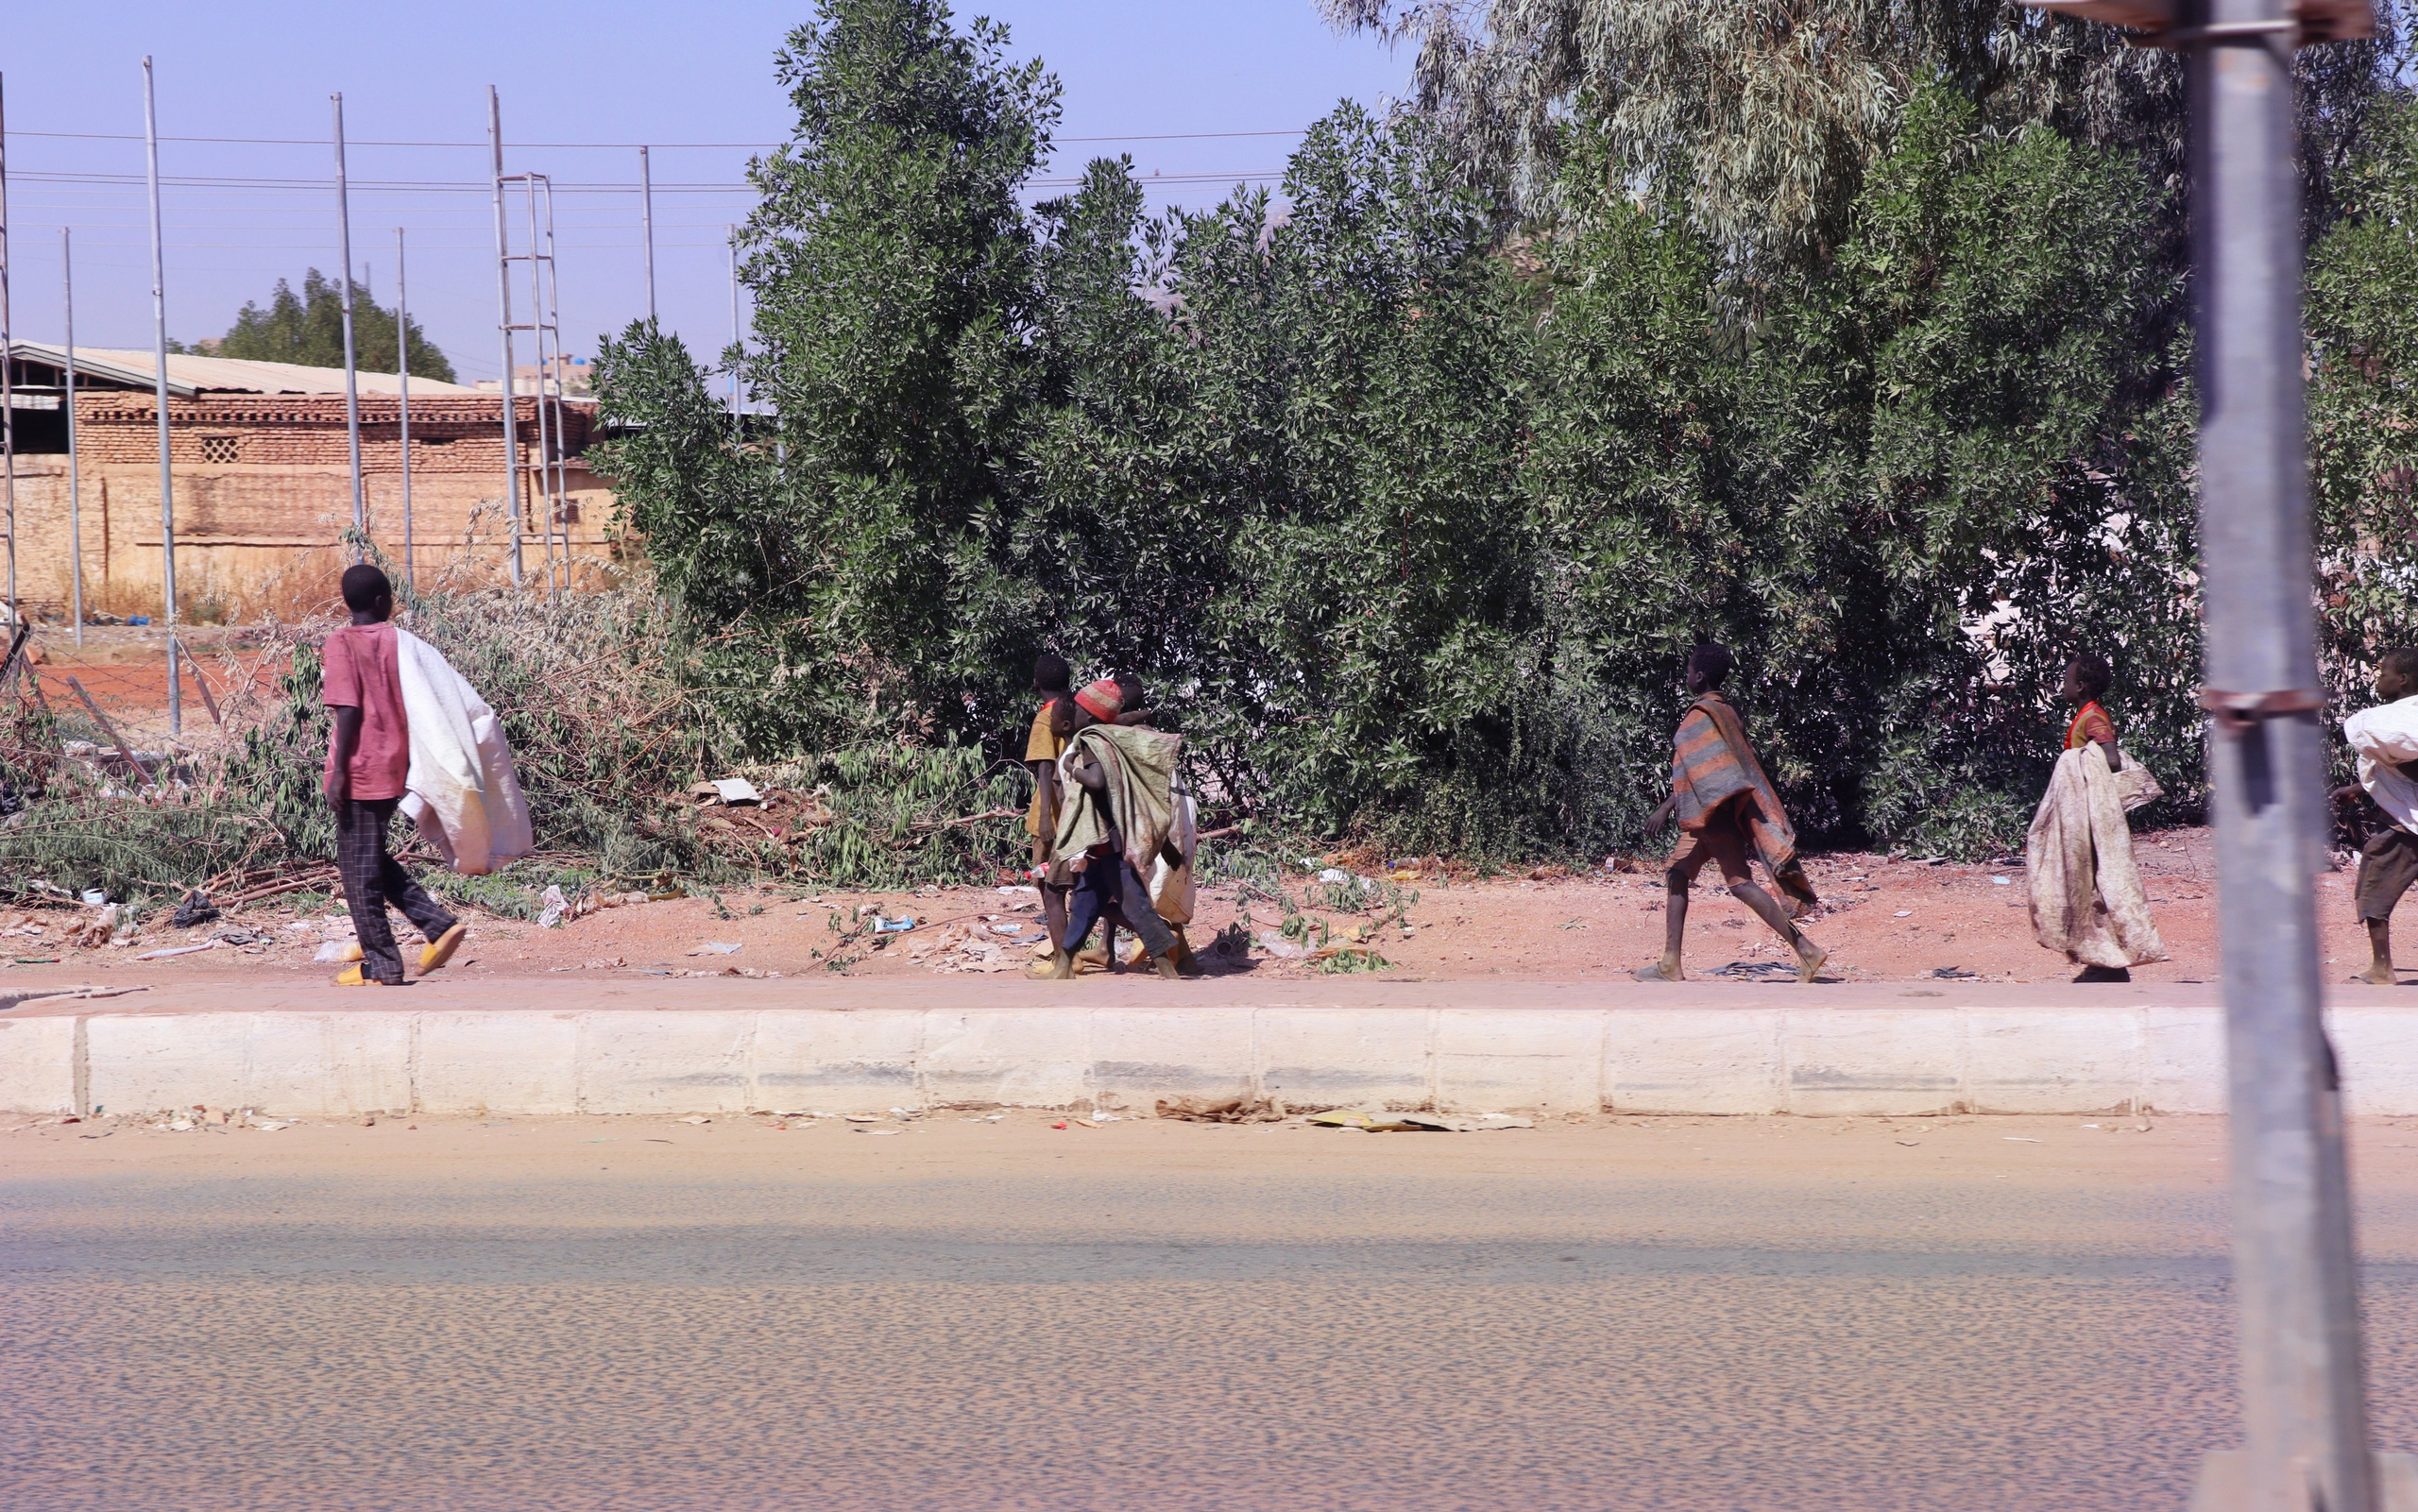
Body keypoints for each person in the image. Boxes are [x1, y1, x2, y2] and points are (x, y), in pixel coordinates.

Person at [1636, 644, 1828, 983]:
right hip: (1712, 814)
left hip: (1710, 817)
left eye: (1688, 671)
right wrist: (1670, 806)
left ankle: (1807, 950)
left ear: (1699, 676)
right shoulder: (1728, 712)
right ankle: (1670, 962)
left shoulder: (1701, 715)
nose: (1686, 676)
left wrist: (1665, 809)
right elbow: (1709, 770)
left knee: (1740, 885)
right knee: (1679, 874)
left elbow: (1706, 770)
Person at [323, 564, 467, 986]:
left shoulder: (341, 643)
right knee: (367, 862)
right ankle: (437, 924)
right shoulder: (399, 641)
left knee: (357, 874)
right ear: (384, 602)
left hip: (359, 769)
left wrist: (339, 774)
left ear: (347, 604)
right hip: (392, 765)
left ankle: (382, 962)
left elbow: (347, 708)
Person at [2026, 653, 2166, 982]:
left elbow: (2111, 759)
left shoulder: (2094, 718)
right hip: (2079, 814)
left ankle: (2109, 962)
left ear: (2082, 685)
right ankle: (2100, 957)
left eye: (2066, 680)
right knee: (2083, 883)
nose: (2062, 685)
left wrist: (2077, 762)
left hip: (2090, 818)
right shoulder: (2084, 715)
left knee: (2094, 884)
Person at [1042, 678, 1190, 980]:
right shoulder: (1109, 735)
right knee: (1083, 904)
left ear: (1091, 717)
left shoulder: (1094, 741)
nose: (1075, 713)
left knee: (1136, 908)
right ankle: (1062, 967)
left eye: (1080, 710)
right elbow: (1120, 720)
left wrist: (1072, 768)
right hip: (1103, 846)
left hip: (1111, 845)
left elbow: (1096, 780)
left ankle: (1168, 969)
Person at [2334, 649, 2418, 985]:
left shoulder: (2404, 724)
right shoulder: (2402, 721)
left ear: (2403, 679)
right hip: (2403, 815)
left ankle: (2381, 968)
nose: (2378, 679)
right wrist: (2359, 787)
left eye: (2383, 673)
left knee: (2375, 885)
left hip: (2405, 823)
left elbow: (2409, 769)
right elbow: (2397, 769)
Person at [1023, 654, 1076, 957]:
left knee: (1050, 889)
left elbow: (1044, 768)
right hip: (1076, 812)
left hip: (1052, 815)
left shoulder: (1045, 718)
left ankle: (1064, 956)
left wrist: (1045, 818)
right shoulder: (1075, 711)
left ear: (1036, 683)